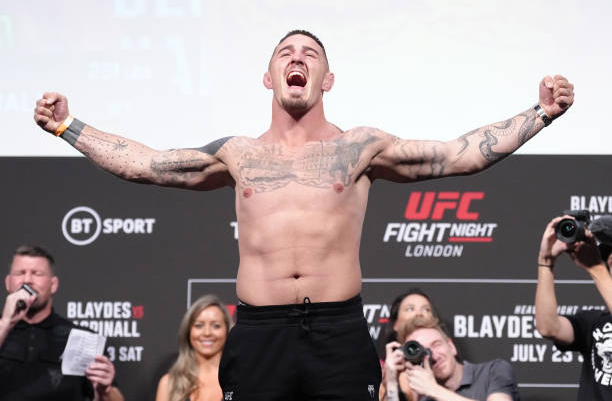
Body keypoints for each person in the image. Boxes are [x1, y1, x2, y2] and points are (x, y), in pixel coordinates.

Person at [33, 29, 574, 400]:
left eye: (310, 54)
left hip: (337, 331)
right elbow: (146, 165)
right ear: (268, 77)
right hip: (259, 331)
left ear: (327, 80)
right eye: (285, 53)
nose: (297, 59)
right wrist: (68, 127)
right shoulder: (238, 154)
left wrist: (541, 113)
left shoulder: (361, 147)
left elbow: (459, 153)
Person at [0, 245, 123, 401]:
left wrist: (105, 390)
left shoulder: (81, 337)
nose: (27, 280)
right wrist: (5, 323)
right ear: (8, 282)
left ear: (54, 285)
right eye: (20, 273)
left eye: (37, 273)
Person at [535, 215, 612, 400]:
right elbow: (548, 327)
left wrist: (596, 268)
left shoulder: (599, 270)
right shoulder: (595, 322)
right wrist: (546, 262)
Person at [383, 316, 519, 401]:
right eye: (423, 351)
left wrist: (434, 390)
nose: (433, 355)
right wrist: (392, 384)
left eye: (436, 344)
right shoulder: (427, 397)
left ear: (451, 346)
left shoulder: (492, 371)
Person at [155, 294, 232, 401]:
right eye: (199, 325)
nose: (207, 333)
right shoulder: (169, 384)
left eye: (216, 326)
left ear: (227, 331)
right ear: (188, 331)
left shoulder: (240, 381)